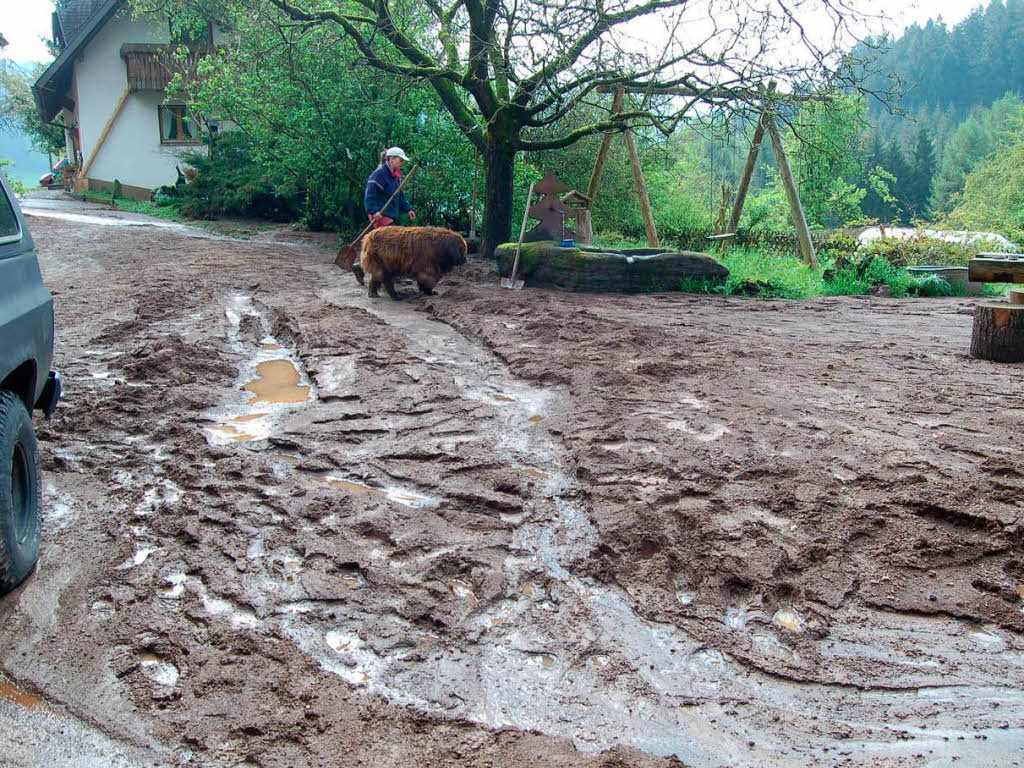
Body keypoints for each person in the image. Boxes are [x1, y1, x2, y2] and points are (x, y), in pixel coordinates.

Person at [364, 147, 416, 229]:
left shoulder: (395, 176)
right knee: (393, 239)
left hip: (390, 216)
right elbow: (370, 195)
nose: (402, 163)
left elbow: (400, 194)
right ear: (391, 159)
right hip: (380, 216)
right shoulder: (379, 174)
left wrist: (408, 209)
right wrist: (374, 211)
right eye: (401, 160)